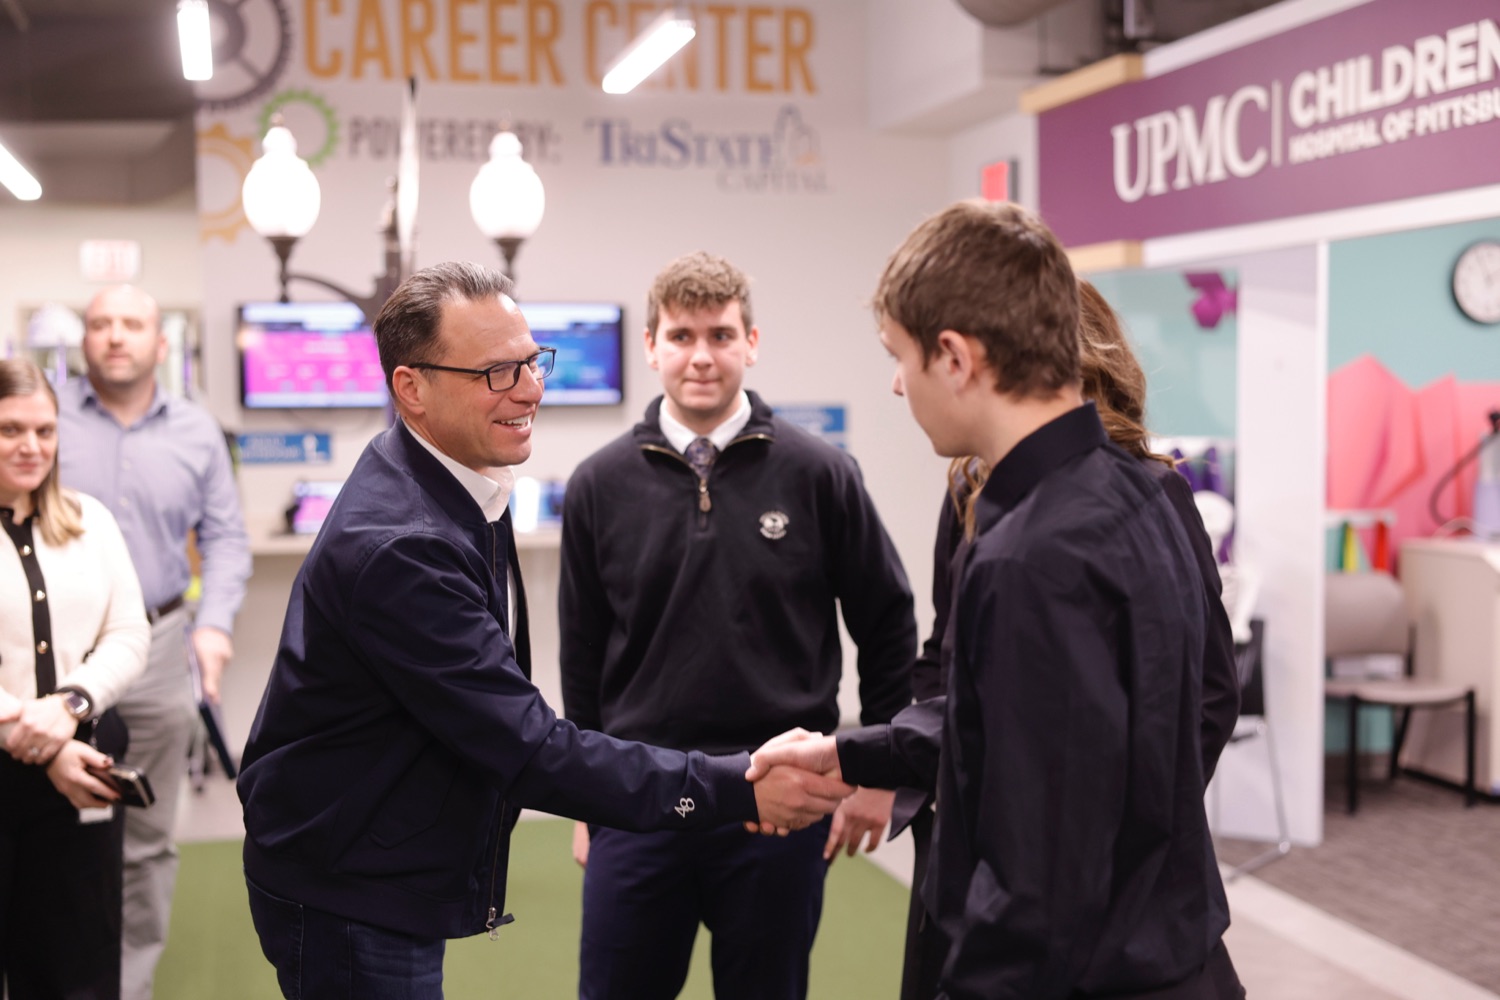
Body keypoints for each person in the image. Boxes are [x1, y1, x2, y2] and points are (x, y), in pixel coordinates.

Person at [237, 261, 852, 1000]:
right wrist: (736, 789)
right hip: (349, 893)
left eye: (531, 361)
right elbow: (528, 748)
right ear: (411, 388)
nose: (530, 388)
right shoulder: (404, 544)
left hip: (371, 862)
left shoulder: (442, 481)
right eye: (496, 372)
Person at [748, 201, 1243, 999]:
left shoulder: (1029, 558)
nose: (897, 384)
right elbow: (1019, 725)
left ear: (953, 357)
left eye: (898, 355)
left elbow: (1037, 884)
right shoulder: (1140, 495)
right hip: (1177, 959)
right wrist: (850, 754)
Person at [558, 250, 916, 1000]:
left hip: (779, 803)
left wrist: (880, 771)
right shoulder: (597, 485)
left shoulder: (822, 473)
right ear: (651, 345)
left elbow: (887, 621)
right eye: (682, 336)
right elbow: (583, 649)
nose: (701, 356)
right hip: (639, 799)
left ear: (752, 343)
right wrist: (587, 799)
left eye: (720, 335)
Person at [889, 279, 1243, 999]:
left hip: (1088, 928)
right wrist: (885, 759)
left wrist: (1145, 829)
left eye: (902, 357)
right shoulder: (973, 497)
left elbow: (1205, 695)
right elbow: (950, 669)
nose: (897, 385)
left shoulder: (1115, 510)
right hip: (1003, 880)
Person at [56, 284, 252, 1000]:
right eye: (100, 323)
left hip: (163, 644)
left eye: (131, 324)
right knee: (53, 829)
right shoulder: (48, 425)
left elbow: (227, 540)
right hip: (63, 653)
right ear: (85, 339)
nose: (115, 337)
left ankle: (125, 985)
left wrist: (214, 624)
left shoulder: (197, 431)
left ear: (160, 343)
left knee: (144, 838)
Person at [0, 358, 151, 999]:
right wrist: (41, 739)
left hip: (85, 766)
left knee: (80, 963)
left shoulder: (90, 522)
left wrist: (70, 705)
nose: (31, 446)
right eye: (10, 430)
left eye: (44, 430)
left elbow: (128, 634)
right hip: (26, 757)